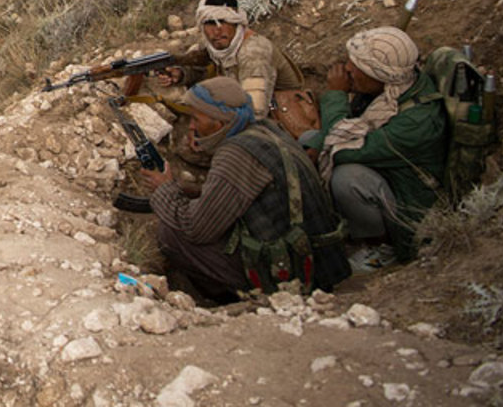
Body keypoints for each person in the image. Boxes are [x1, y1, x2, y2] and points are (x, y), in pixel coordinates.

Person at [140, 77, 350, 302]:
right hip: (320, 260)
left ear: (219, 123)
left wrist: (165, 189)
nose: (191, 126)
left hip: (298, 272)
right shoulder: (267, 130)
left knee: (171, 233)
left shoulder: (236, 153)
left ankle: (233, 300)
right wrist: (187, 189)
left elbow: (195, 228)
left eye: (196, 119)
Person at [299, 27, 447, 271]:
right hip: (386, 173)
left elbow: (344, 149)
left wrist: (336, 94)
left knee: (347, 178)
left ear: (379, 74)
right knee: (309, 138)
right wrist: (314, 147)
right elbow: (344, 131)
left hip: (408, 207)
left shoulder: (416, 122)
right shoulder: (387, 92)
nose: (347, 69)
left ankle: (381, 248)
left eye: (357, 66)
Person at [157, 0, 304, 122]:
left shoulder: (253, 54)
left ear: (236, 23)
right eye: (210, 23)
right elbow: (206, 69)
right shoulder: (217, 46)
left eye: (223, 21)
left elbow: (255, 113)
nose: (217, 30)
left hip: (281, 120)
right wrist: (181, 74)